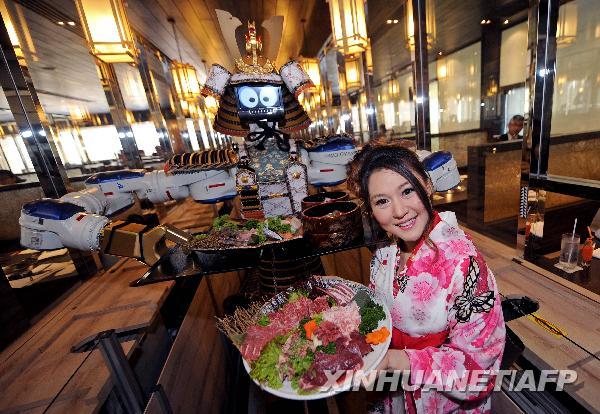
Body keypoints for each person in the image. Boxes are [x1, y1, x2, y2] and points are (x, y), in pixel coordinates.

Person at [348, 143, 505, 413]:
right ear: (371, 209)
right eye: (382, 201)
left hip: (440, 400)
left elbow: (479, 369)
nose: (399, 211)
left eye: (407, 191)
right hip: (393, 391)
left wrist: (398, 360)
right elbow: (379, 311)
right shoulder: (386, 251)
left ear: (428, 186)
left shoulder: (465, 265)